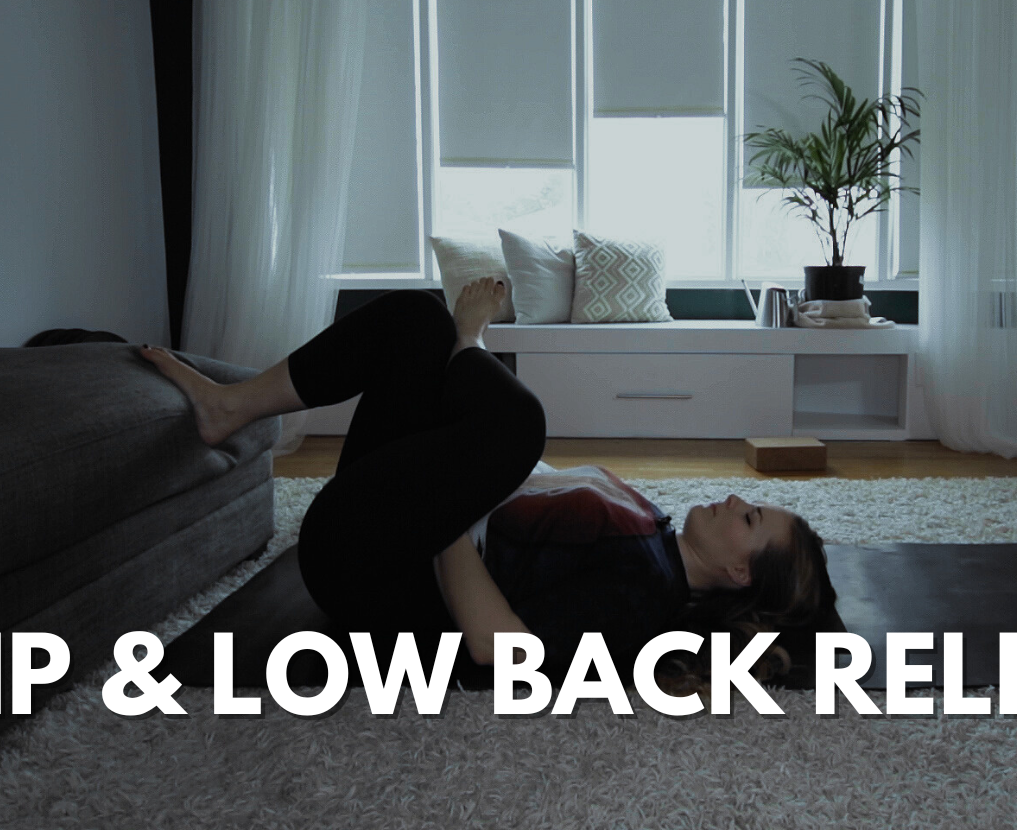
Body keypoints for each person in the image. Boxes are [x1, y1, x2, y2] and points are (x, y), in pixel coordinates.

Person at [140, 280, 836, 689]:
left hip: (368, 568)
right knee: (418, 320)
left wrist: (452, 499)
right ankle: (231, 406)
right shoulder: (652, 530)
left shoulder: (641, 596)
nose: (740, 500)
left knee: (519, 424)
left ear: (740, 572)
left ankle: (470, 338)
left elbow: (497, 648)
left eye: (752, 520)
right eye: (754, 504)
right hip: (395, 521)